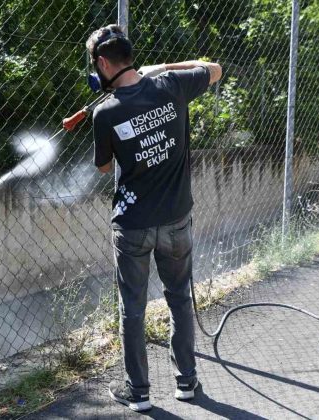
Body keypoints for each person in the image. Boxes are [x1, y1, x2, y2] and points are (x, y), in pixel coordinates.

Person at [86, 24, 222, 411]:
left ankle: (139, 391)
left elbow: (102, 168)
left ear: (102, 63)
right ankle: (186, 382)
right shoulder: (172, 87)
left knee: (133, 307)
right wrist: (162, 69)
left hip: (132, 226)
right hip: (177, 218)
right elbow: (213, 68)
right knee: (178, 298)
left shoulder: (106, 112)